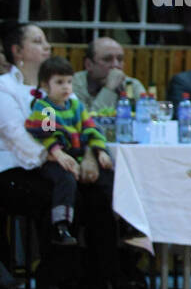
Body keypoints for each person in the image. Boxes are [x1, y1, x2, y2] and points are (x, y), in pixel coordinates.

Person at [25, 56, 114, 249]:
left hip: (78, 155)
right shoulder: (45, 108)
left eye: (69, 82)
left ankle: (122, 221)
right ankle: (61, 226)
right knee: (65, 179)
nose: (66, 87)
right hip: (56, 159)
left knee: (107, 174)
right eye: (59, 82)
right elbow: (47, 134)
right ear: (45, 84)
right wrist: (58, 154)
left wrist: (100, 151)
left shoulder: (76, 106)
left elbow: (91, 128)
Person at [73, 38, 143, 112]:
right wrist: (109, 88)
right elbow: (87, 120)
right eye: (107, 59)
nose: (115, 65)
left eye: (120, 59)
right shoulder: (74, 83)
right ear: (89, 64)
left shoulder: (132, 85)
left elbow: (149, 116)